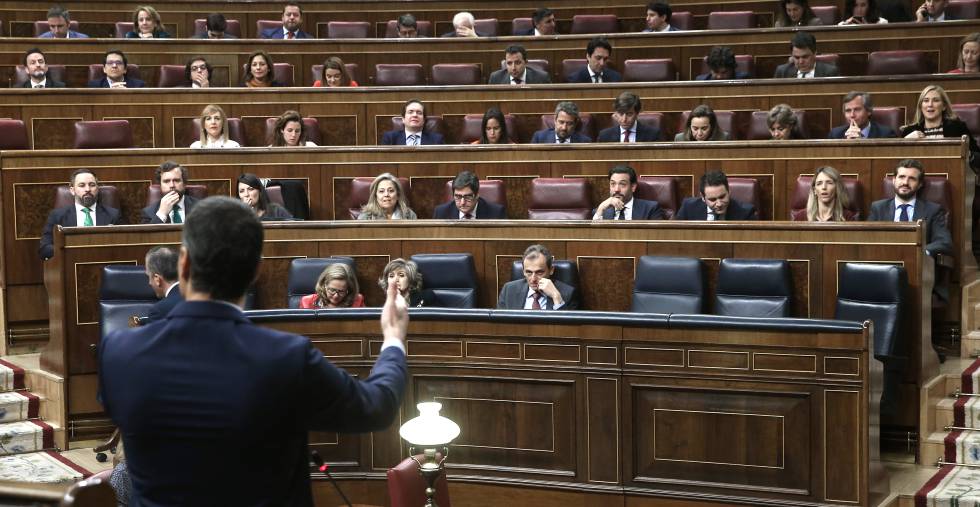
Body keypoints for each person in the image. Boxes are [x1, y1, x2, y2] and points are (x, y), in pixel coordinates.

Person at [98, 196, 409, 506]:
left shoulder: (119, 353)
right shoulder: (286, 358)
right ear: (256, 271)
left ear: (183, 264)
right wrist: (393, 339)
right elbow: (376, 407)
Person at [868, 159, 952, 256]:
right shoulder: (878, 208)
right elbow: (867, 238)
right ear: (894, 180)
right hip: (885, 262)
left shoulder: (933, 210)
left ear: (920, 184)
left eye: (912, 178)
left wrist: (918, 252)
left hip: (917, 263)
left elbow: (944, 242)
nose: (905, 182)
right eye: (901, 177)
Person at [39, 169, 123, 260]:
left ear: (97, 189)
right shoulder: (57, 216)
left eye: (92, 185)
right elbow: (44, 249)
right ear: (72, 190)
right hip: (70, 265)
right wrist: (72, 251)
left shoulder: (113, 215)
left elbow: (125, 247)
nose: (87, 189)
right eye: (82, 185)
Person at [901, 84, 980, 168]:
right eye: (926, 100)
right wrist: (905, 142)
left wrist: (968, 154)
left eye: (936, 100)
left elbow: (978, 158)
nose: (930, 104)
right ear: (921, 106)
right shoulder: (909, 131)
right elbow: (897, 164)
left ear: (944, 106)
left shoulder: (957, 128)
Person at [497, 244, 580, 310]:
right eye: (529, 272)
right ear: (523, 271)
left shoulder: (568, 293)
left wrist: (556, 297)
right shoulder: (509, 290)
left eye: (539, 272)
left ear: (551, 270)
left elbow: (567, 329)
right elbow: (500, 324)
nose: (533, 279)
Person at [676, 170, 759, 220]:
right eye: (712, 200)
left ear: (729, 191)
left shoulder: (746, 212)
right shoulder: (688, 208)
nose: (719, 204)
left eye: (722, 197)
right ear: (703, 197)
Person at [592, 165, 665, 220]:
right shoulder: (601, 211)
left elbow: (657, 237)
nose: (616, 189)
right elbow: (593, 237)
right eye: (613, 184)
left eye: (622, 184)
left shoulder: (651, 209)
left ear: (633, 187)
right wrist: (600, 209)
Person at [433, 170, 507, 219]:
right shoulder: (441, 213)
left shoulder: (497, 213)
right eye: (458, 196)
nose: (462, 202)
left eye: (468, 197)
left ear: (477, 195)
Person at [828, 91, 898, 139]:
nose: (852, 115)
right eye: (848, 111)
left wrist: (861, 143)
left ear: (868, 111)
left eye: (857, 109)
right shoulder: (835, 135)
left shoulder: (886, 134)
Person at [773, 32, 840, 78]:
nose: (801, 61)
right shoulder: (782, 72)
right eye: (796, 57)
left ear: (814, 53)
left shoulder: (830, 72)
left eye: (805, 57)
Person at [143, 246, 182, 323]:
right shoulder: (200, 298)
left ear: (157, 279)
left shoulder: (159, 311)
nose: (149, 283)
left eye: (149, 277)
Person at [381, 99, 445, 145]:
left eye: (419, 113)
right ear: (403, 119)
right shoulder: (390, 138)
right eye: (410, 112)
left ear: (424, 120)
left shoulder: (437, 140)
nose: (415, 115)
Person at [300, 263, 365, 309]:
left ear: (349, 289)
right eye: (332, 290)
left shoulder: (357, 301)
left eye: (341, 291)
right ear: (324, 285)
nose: (336, 296)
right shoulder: (307, 302)